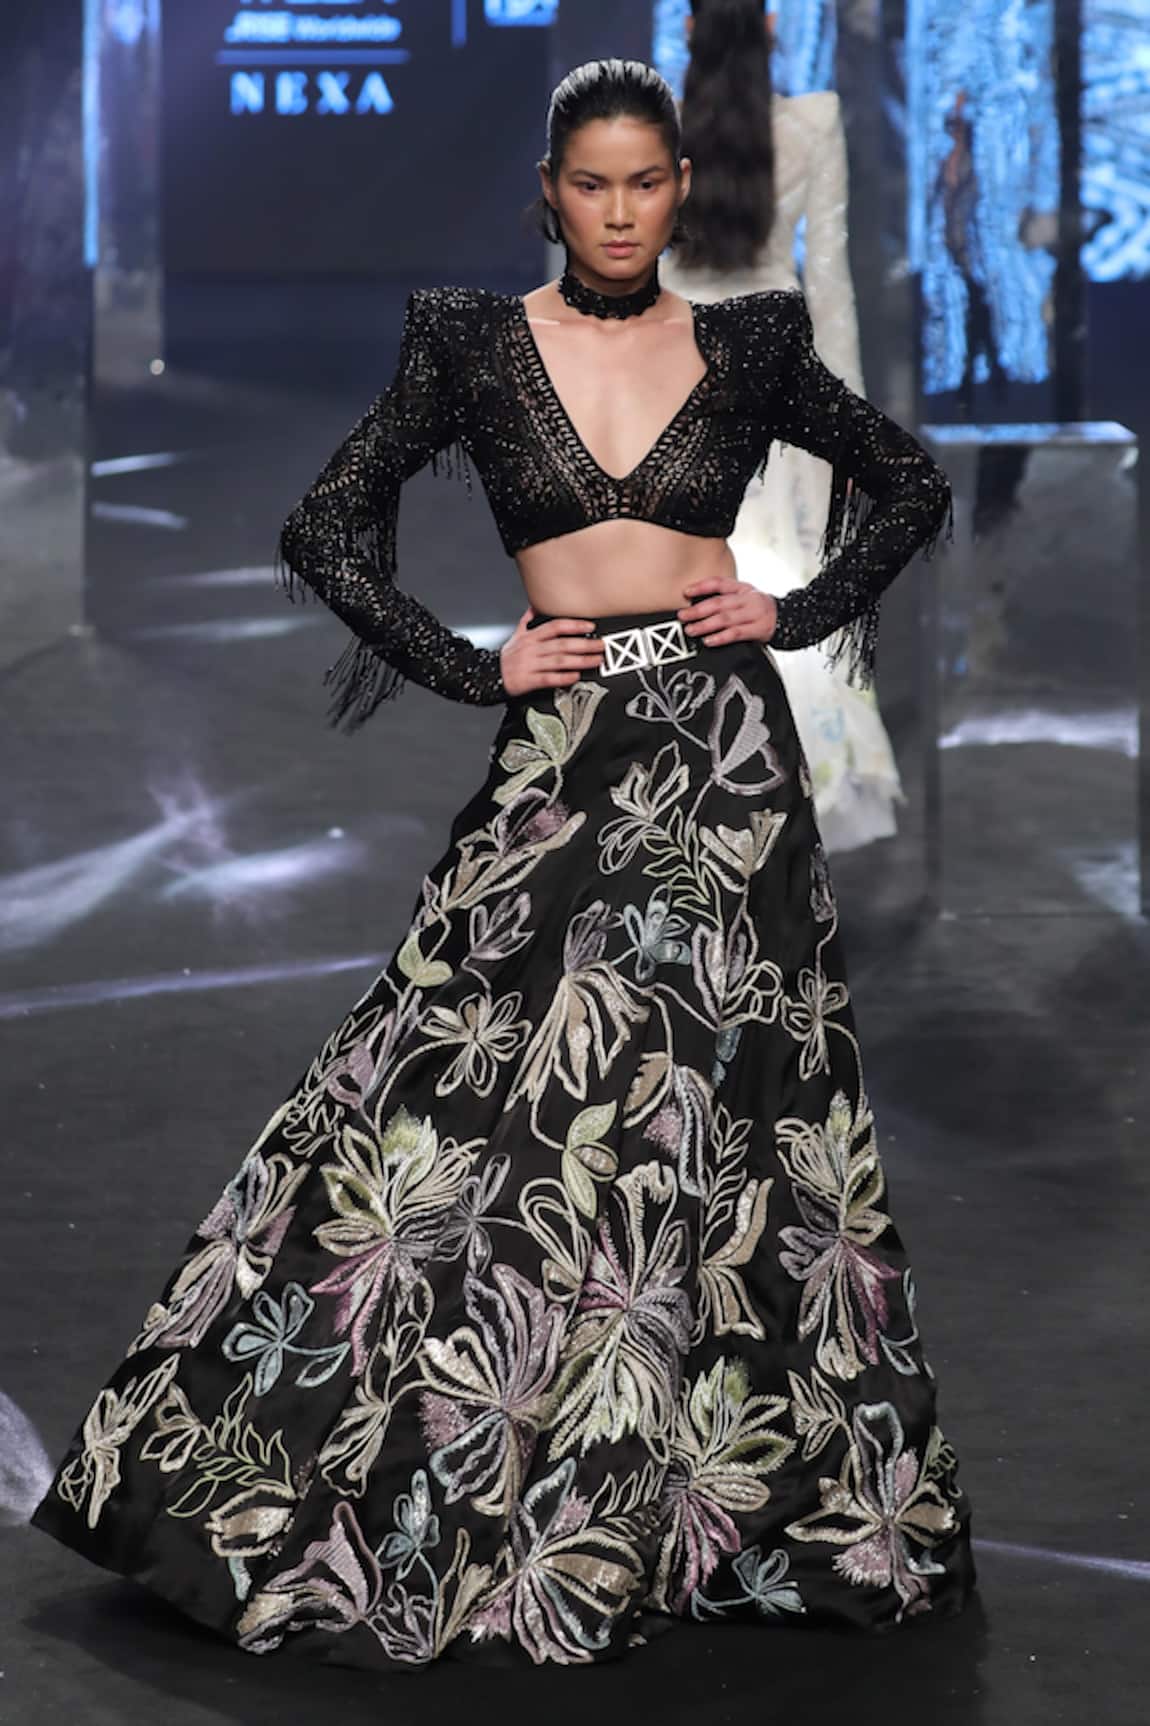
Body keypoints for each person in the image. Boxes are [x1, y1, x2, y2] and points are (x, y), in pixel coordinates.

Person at [34, 58, 973, 1667]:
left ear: (680, 190)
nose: (617, 211)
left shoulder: (750, 343)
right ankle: (411, 1469)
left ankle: (664, 1499)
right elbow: (328, 524)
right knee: (443, 1074)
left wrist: (791, 608)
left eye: (644, 183)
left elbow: (910, 480)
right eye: (589, 184)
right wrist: (474, 665)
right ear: (548, 192)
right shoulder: (471, 342)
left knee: (709, 1124)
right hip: (561, 753)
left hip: (724, 771)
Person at [662, 0, 907, 852]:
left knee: (673, 588)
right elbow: (831, 283)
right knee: (784, 590)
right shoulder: (813, 124)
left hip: (670, 378)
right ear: (770, 29)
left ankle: (681, 793)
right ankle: (795, 787)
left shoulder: (652, 124)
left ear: (689, 30)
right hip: (780, 381)